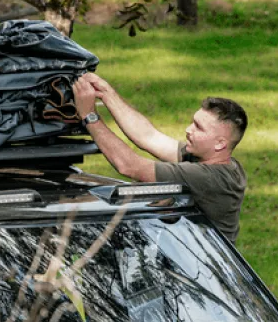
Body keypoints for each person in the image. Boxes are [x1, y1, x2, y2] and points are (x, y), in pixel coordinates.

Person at [72, 72, 248, 242]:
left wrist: (89, 116)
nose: (188, 130)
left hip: (199, 270)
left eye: (198, 127)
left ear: (220, 144)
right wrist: (106, 92)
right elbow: (148, 136)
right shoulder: (218, 160)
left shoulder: (208, 177)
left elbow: (130, 166)